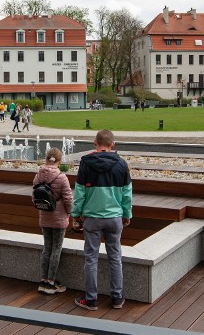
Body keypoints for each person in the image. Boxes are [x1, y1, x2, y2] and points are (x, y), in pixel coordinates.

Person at [71, 129, 132, 311]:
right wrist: (127, 214)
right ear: (113, 144)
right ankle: (117, 298)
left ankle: (91, 300)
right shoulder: (122, 164)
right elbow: (127, 194)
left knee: (91, 258)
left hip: (92, 218)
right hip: (114, 218)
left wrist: (76, 214)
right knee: (115, 257)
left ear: (95, 143)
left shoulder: (86, 163)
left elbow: (80, 192)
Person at [33, 148, 73, 295]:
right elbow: (68, 198)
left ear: (46, 159)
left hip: (44, 216)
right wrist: (69, 212)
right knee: (56, 248)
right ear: (60, 161)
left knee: (46, 248)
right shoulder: (62, 178)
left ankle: (43, 281)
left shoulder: (38, 176)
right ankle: (51, 283)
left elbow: (34, 196)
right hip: (59, 218)